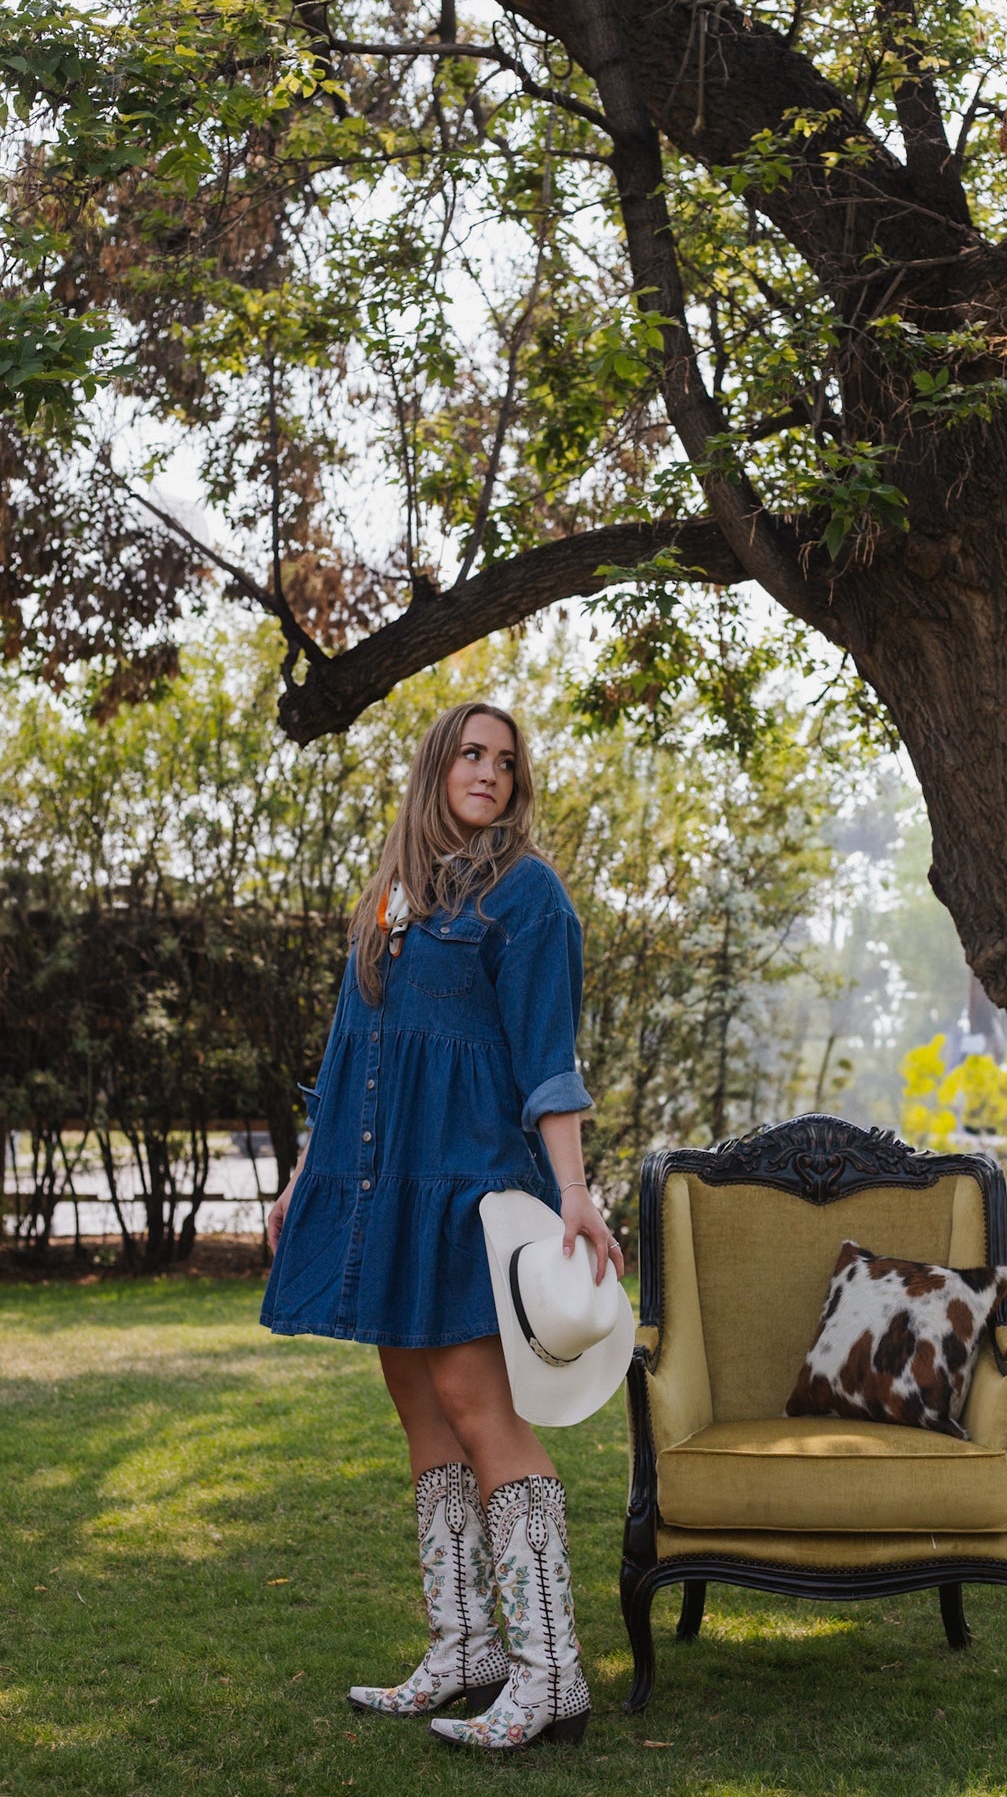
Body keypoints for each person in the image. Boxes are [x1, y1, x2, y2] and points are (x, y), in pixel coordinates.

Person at [260, 700, 623, 1753]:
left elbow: (549, 1059)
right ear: (437, 767)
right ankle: (464, 1648)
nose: (489, 773)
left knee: (481, 1413)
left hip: (467, 1193)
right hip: (387, 1191)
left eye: (505, 762)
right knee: (419, 1408)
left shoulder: (529, 894)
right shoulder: (390, 899)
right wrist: (301, 1177)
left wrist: (575, 1190)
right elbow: (348, 1053)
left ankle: (550, 1672)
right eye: (471, 754)